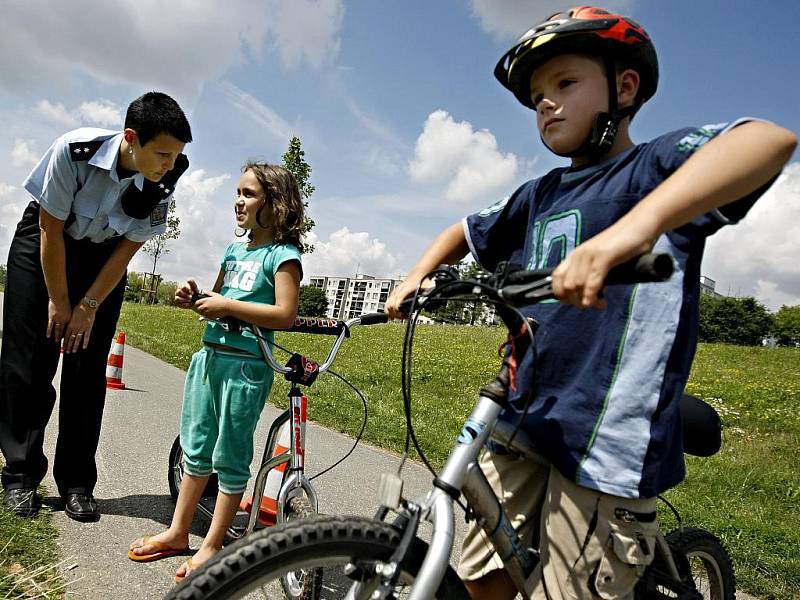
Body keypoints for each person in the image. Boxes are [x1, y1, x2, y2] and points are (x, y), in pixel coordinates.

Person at [386, 7, 796, 599]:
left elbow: (767, 140)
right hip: (525, 413)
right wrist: (418, 275)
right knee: (481, 572)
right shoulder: (539, 194)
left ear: (624, 87)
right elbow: (463, 230)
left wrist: (637, 228)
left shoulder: (651, 168)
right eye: (536, 97)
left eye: (565, 84)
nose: (545, 104)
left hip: (606, 436)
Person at [0, 91, 192, 521]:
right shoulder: (74, 151)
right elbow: (50, 227)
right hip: (46, 243)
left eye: (175, 155)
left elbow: (128, 248)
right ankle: (20, 475)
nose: (169, 164)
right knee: (29, 361)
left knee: (87, 371)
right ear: (130, 138)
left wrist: (87, 306)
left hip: (103, 258)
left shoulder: (167, 172)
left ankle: (77, 482)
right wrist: (59, 300)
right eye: (161, 153)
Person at [128, 161, 304, 583]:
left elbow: (284, 313)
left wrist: (227, 306)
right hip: (208, 359)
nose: (238, 201)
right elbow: (219, 297)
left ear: (274, 203)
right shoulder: (233, 249)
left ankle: (212, 545)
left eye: (248, 194)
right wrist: (197, 298)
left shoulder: (284, 256)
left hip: (245, 368)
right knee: (197, 445)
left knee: (230, 454)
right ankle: (177, 531)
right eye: (238, 193)